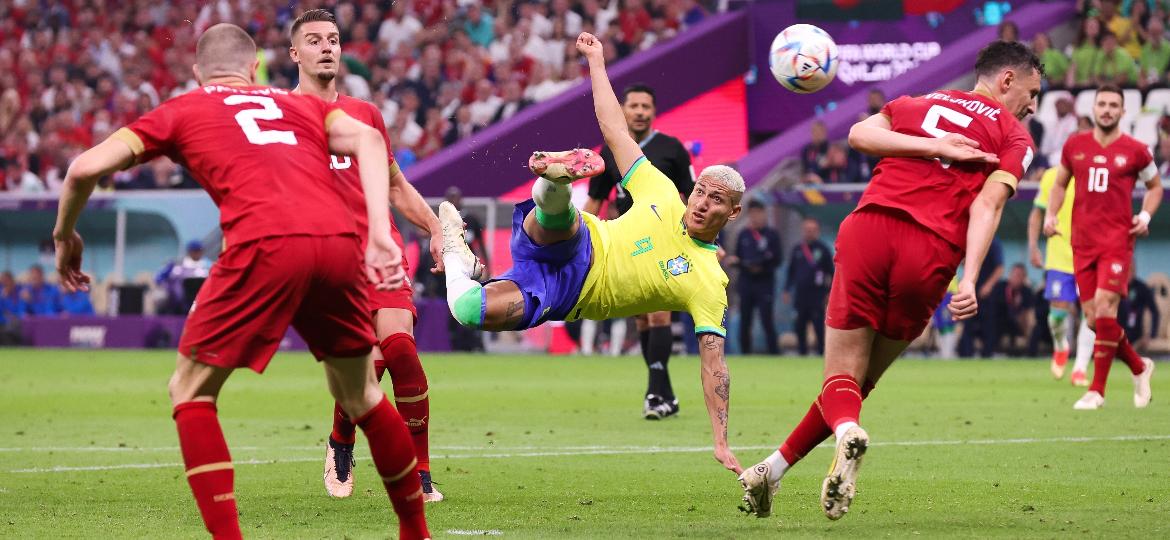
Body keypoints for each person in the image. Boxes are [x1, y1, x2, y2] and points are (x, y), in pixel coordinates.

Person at [51, 24, 430, 540]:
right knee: (363, 393)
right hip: (340, 244)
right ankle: (415, 530)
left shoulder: (183, 108)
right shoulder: (294, 104)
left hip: (264, 243)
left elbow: (82, 169)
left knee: (190, 390)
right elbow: (366, 138)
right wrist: (381, 239)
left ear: (196, 73)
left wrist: (64, 237)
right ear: (255, 70)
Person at [740, 40, 1041, 520]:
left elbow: (860, 134)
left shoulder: (920, 102)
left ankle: (778, 466)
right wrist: (970, 278)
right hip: (930, 252)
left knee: (843, 380)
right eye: (1031, 91)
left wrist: (931, 143)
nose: (1032, 105)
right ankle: (778, 468)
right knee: (859, 383)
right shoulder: (1016, 139)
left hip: (869, 230)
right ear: (1007, 80)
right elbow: (988, 205)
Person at [441, 31, 744, 476]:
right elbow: (614, 129)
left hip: (564, 294)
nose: (702, 203)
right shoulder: (660, 190)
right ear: (691, 188)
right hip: (586, 242)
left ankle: (456, 253)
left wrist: (721, 441)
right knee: (557, 219)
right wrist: (597, 60)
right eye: (700, 191)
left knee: (467, 308)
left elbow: (713, 363)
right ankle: (556, 179)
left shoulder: (708, 280)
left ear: (732, 212)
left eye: (716, 200)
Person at [289, 8, 448, 503]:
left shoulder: (365, 114)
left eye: (333, 39)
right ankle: (341, 439)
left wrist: (436, 227)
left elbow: (397, 186)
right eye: (314, 40)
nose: (327, 47)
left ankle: (419, 474)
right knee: (362, 371)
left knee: (399, 348)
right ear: (295, 54)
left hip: (380, 255)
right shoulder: (278, 115)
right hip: (328, 265)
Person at [583, 82, 695, 420]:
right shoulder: (609, 151)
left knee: (659, 313)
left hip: (664, 241)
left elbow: (691, 200)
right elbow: (595, 201)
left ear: (654, 111)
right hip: (627, 243)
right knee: (644, 319)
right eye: (634, 106)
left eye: (646, 107)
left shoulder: (672, 149)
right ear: (623, 110)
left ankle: (653, 394)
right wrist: (579, 238)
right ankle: (667, 394)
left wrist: (701, 240)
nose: (641, 112)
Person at [1045, 85, 1161, 410]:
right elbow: (1059, 183)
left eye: (1113, 105)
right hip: (1082, 243)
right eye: (1102, 104)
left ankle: (1096, 390)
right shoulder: (1074, 145)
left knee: (1106, 308)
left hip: (1117, 242)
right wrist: (1051, 215)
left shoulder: (1137, 150)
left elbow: (1154, 187)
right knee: (1096, 320)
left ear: (1124, 111)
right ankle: (1140, 367)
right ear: (1094, 108)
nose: (1107, 109)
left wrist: (1146, 214)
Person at [1028, 166, 1087, 383]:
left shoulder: (1093, 174)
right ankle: (1061, 345)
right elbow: (1037, 212)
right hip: (1059, 257)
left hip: (1089, 255)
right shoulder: (1052, 176)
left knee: (1090, 314)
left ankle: (1080, 367)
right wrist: (1033, 246)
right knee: (1056, 315)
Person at [733, 200, 782, 355]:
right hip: (746, 282)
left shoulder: (772, 235)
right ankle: (745, 354)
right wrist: (742, 264)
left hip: (764, 282)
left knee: (766, 319)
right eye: (752, 214)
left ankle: (774, 354)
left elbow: (777, 259)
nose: (754, 217)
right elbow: (737, 257)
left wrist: (761, 265)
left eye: (757, 214)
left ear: (764, 214)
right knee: (745, 320)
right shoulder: (744, 234)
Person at [784, 218, 833, 356]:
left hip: (817, 295)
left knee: (818, 325)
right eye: (807, 230)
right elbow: (791, 272)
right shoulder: (797, 249)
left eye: (812, 230)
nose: (809, 233)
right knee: (800, 325)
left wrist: (830, 292)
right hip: (800, 295)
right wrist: (787, 290)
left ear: (817, 232)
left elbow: (831, 272)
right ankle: (802, 352)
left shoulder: (823, 250)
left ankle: (822, 352)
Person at [957, 238, 1004, 358]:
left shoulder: (994, 243)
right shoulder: (970, 242)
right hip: (971, 290)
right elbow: (963, 263)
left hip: (987, 294)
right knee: (968, 324)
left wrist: (988, 286)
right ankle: (967, 355)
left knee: (988, 325)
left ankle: (987, 355)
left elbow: (999, 269)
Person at [987, 263, 1035, 354]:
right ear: (1010, 275)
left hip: (1019, 323)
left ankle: (1030, 354)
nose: (1017, 278)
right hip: (1000, 322)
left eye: (1021, 276)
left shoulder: (1027, 292)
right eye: (1015, 275)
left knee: (1035, 328)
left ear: (1024, 278)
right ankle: (990, 353)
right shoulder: (1000, 287)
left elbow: (1029, 311)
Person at [1120, 265, 1160, 353]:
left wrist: (1152, 335)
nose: (1130, 272)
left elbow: (1155, 312)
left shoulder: (1142, 288)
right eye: (1127, 269)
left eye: (1132, 269)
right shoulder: (1117, 287)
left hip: (1137, 338)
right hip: (1118, 335)